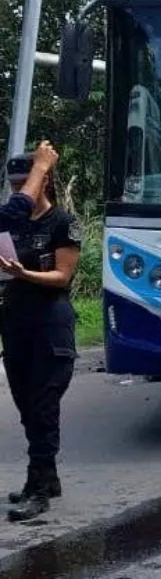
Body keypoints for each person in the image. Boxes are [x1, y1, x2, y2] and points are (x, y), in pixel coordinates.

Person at [0, 148, 82, 523]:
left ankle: (38, 488)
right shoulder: (11, 224)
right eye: (15, 184)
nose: (20, 189)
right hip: (16, 319)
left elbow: (63, 276)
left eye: (25, 182)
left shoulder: (62, 222)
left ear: (42, 180)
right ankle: (48, 479)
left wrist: (26, 274)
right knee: (24, 404)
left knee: (43, 405)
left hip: (51, 322)